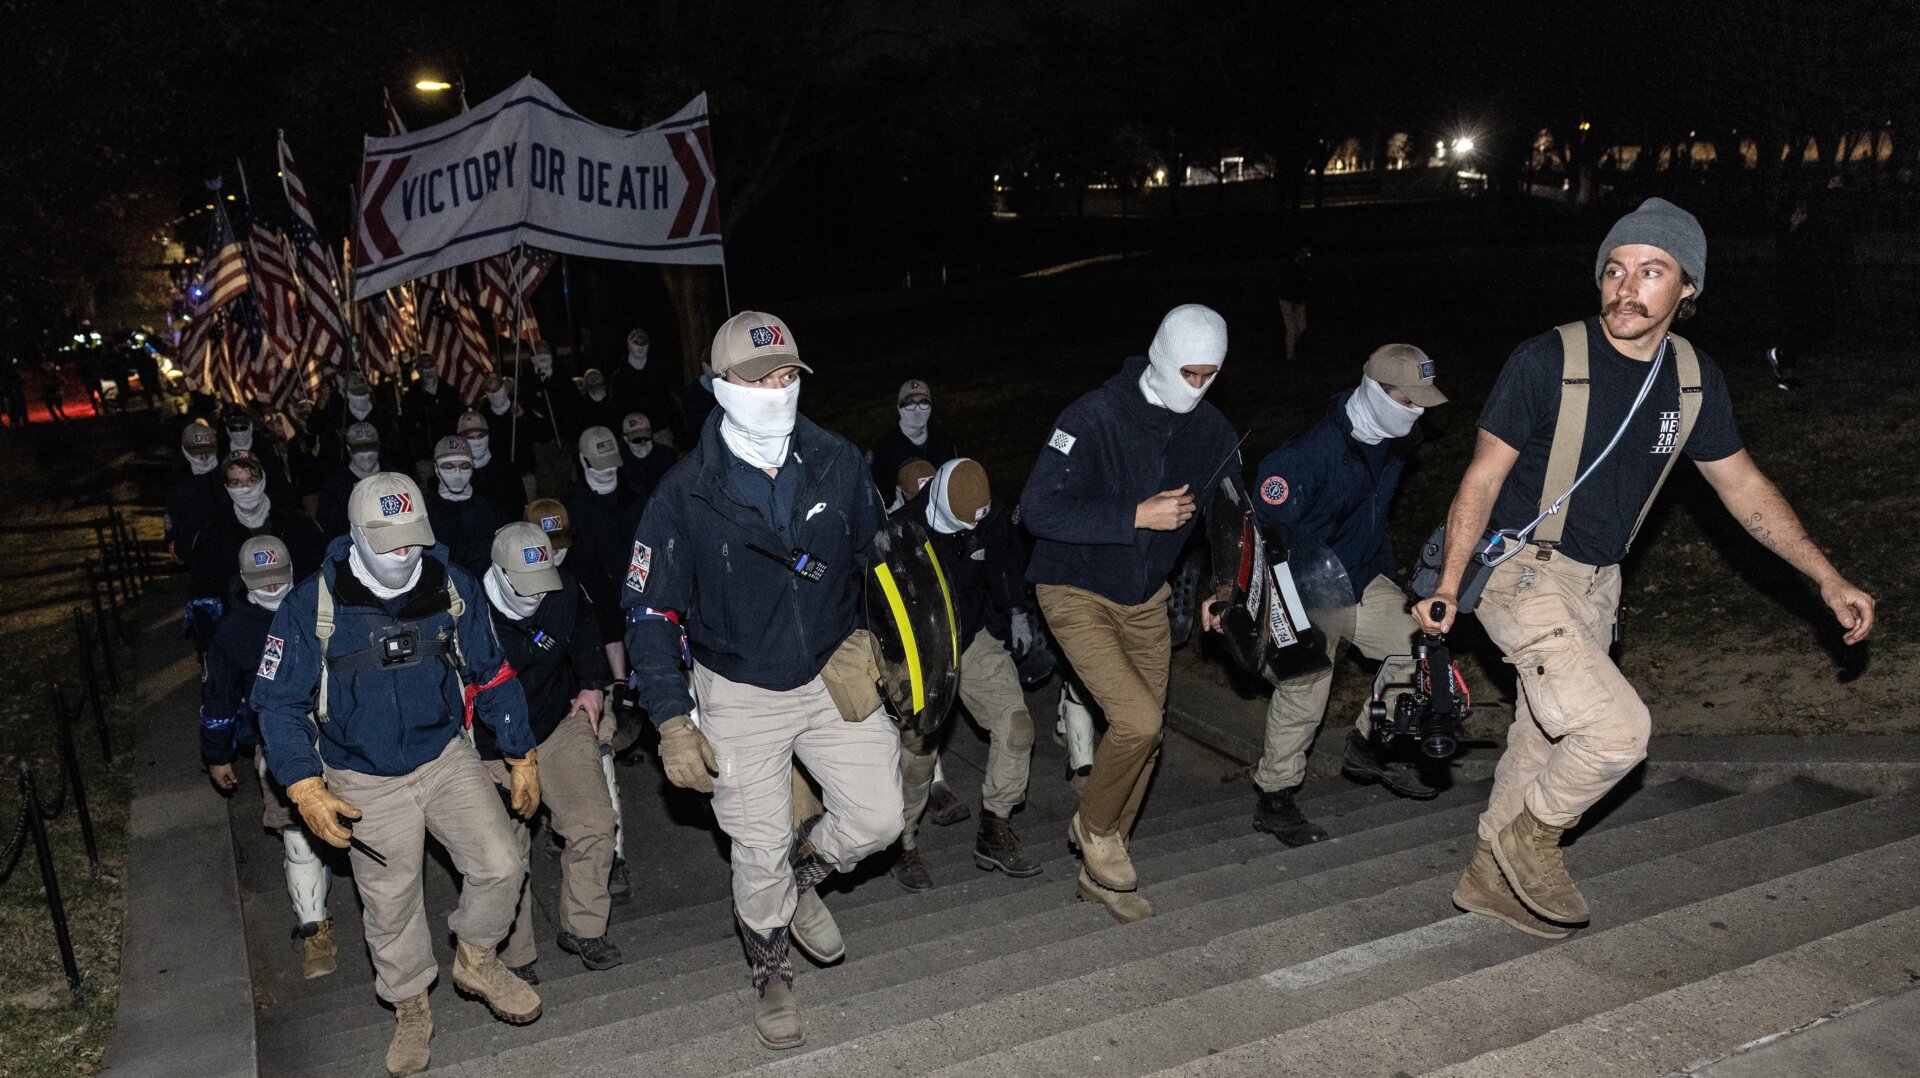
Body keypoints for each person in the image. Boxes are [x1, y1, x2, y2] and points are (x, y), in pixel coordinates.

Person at [1418, 197, 1876, 940]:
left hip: (1600, 585)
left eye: (1652, 271)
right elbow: (1480, 480)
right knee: (1617, 732)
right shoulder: (1546, 361)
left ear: (1687, 288)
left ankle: (1486, 879)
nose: (1626, 288)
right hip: (1521, 572)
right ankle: (1526, 843)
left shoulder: (1693, 381)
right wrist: (1446, 585)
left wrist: (1826, 577)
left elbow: (1745, 488)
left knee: (1541, 738)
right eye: (1615, 269)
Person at [623, 310, 900, 1050]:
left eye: (787, 376)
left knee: (880, 821)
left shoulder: (838, 461)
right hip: (739, 685)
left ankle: (802, 871)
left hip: (830, 669)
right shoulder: (683, 494)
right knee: (753, 843)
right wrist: (672, 720)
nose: (776, 390)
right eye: (757, 378)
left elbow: (882, 562)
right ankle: (770, 962)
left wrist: (905, 654)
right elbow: (649, 613)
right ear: (719, 387)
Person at [252, 472, 543, 1077]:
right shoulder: (312, 604)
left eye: (411, 539)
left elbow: (492, 672)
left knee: (502, 861)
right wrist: (304, 783)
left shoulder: (453, 587)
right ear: (355, 535)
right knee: (391, 900)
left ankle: (477, 955)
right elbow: (277, 702)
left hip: (445, 756)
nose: (402, 554)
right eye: (386, 542)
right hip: (361, 774)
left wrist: (520, 752)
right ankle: (411, 1004)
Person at [1019, 303, 1239, 924]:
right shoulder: (1093, 417)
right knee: (1137, 721)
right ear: (1163, 357)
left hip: (1147, 599)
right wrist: (1134, 515)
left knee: (1146, 736)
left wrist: (1222, 586)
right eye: (1188, 373)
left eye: (1210, 376)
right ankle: (1095, 830)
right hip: (1075, 588)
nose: (1197, 388)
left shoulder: (1213, 432)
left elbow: (1229, 516)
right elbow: (1038, 510)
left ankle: (1102, 877)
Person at [1247, 344, 1449, 846]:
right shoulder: (1302, 459)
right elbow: (1254, 541)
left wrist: (1390, 577)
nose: (1418, 412)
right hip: (1301, 587)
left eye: (1424, 402)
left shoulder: (1397, 439)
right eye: (1409, 401)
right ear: (1376, 391)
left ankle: (1369, 744)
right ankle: (1274, 798)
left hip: (1360, 578)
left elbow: (1374, 515)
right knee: (1307, 681)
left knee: (1423, 647)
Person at [887, 458, 1043, 893]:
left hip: (970, 637)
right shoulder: (901, 532)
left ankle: (995, 827)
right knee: (918, 757)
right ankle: (902, 841)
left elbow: (1002, 560)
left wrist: (1015, 610)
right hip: (919, 653)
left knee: (1016, 726)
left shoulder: (985, 518)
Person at [477, 522, 623, 980]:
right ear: (499, 573)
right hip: (490, 745)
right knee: (507, 852)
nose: (537, 597)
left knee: (595, 821)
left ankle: (583, 927)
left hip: (556, 722)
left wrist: (591, 684)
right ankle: (516, 956)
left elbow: (584, 626)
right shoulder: (466, 610)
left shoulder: (561, 589)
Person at [199, 536, 337, 979]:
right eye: (262, 582)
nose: (273, 589)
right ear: (243, 581)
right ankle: (313, 929)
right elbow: (218, 695)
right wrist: (216, 753)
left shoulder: (328, 603)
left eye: (280, 578)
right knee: (299, 842)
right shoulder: (233, 632)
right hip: (278, 746)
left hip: (346, 735)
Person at [187, 452, 324, 635]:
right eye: (236, 483)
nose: (245, 488)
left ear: (263, 479)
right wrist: (211, 641)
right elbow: (203, 592)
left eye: (251, 480)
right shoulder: (213, 535)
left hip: (298, 625)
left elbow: (318, 575)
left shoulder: (296, 524)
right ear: (226, 486)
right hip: (243, 632)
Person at [562, 427, 647, 691]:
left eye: (611, 464)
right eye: (600, 466)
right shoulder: (573, 503)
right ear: (583, 461)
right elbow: (576, 562)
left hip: (637, 585)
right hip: (597, 598)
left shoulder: (636, 495)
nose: (607, 471)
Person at [423, 436, 510, 577]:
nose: (458, 475)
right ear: (436, 469)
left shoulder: (489, 507)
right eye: (449, 467)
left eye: (464, 467)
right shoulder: (424, 510)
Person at [867, 379, 957, 506]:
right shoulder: (884, 450)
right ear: (899, 407)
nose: (917, 410)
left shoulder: (944, 443)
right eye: (910, 404)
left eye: (923, 403)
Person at [609, 327, 686, 446]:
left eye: (643, 343)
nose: (640, 347)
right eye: (635, 343)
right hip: (632, 434)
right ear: (629, 345)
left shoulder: (658, 372)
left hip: (659, 433)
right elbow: (616, 411)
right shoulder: (620, 377)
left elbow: (670, 404)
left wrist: (680, 435)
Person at [316, 422, 388, 540]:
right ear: (349, 449)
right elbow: (330, 534)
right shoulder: (333, 488)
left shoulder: (395, 478)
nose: (365, 455)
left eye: (370, 448)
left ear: (379, 446)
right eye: (359, 450)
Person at [457, 409, 528, 520]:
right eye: (470, 437)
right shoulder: (456, 473)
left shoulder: (504, 466)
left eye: (480, 436)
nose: (476, 441)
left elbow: (520, 501)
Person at [619, 412, 676, 499]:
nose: (643, 443)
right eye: (636, 439)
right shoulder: (619, 464)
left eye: (646, 436)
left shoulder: (666, 454)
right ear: (626, 439)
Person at [1276, 243, 1313, 362]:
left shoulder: (1306, 265)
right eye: (1304, 253)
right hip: (1286, 299)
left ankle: (1290, 344)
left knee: (1302, 326)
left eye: (1308, 253)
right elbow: (1284, 283)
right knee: (1291, 328)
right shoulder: (1289, 265)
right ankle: (1290, 355)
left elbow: (1307, 283)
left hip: (1299, 300)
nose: (1306, 255)